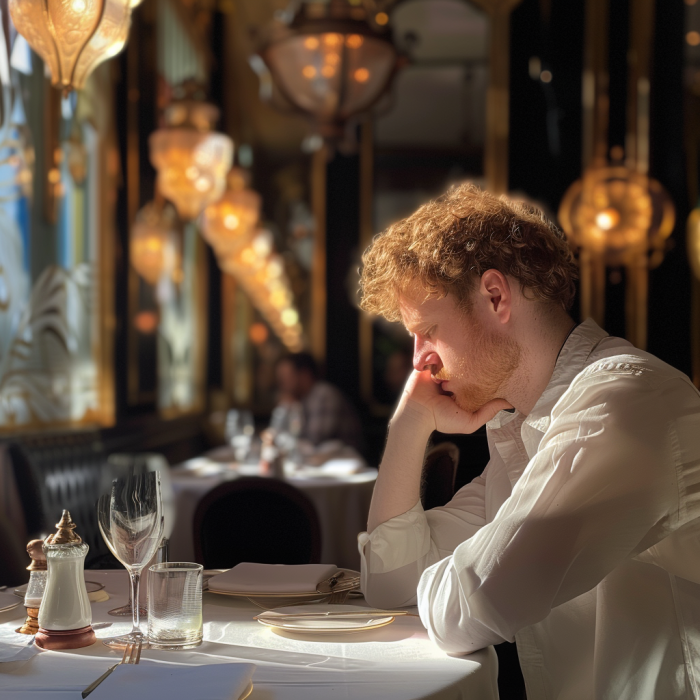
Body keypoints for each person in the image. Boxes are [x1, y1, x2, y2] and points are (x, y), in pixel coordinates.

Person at [357, 183, 700, 699]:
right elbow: (391, 584)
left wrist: (456, 572)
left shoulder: (622, 403)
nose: (418, 361)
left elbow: (474, 604)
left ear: (495, 296)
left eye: (427, 330)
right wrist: (410, 426)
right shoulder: (530, 428)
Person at [274, 352, 364, 452]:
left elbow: (314, 440)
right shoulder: (301, 399)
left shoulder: (324, 394)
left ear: (305, 374)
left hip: (345, 462)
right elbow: (277, 438)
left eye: (286, 376)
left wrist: (290, 409)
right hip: (323, 462)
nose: (282, 383)